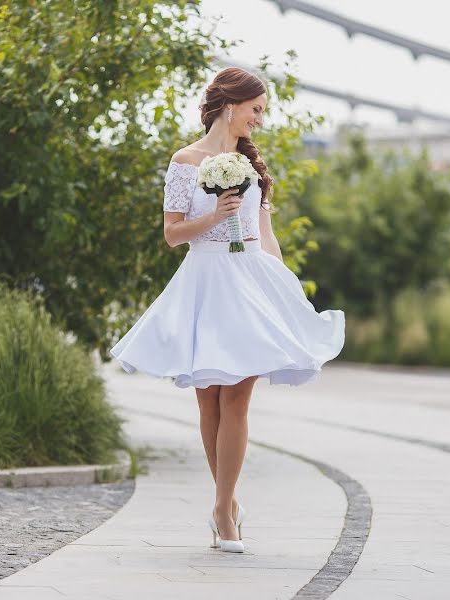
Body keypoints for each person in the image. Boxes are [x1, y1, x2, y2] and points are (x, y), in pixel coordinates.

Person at [108, 67, 345, 554]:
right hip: (205, 279)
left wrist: (285, 291)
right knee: (208, 399)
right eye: (256, 109)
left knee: (237, 394)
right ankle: (228, 501)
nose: (260, 120)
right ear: (230, 105)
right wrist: (212, 217)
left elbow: (265, 234)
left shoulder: (251, 165)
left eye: (263, 111)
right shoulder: (185, 161)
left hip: (250, 280)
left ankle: (221, 510)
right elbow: (173, 234)